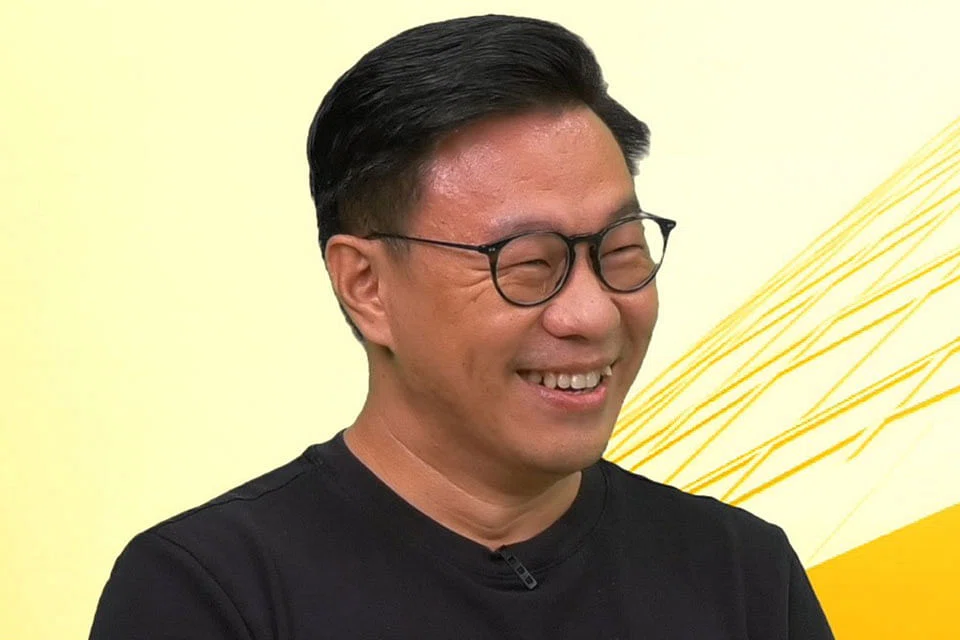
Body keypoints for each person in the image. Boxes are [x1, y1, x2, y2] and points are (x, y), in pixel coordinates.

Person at [90, 15, 834, 639]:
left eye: (620, 252)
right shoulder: (212, 592)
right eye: (530, 264)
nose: (591, 313)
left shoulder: (740, 572)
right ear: (367, 286)